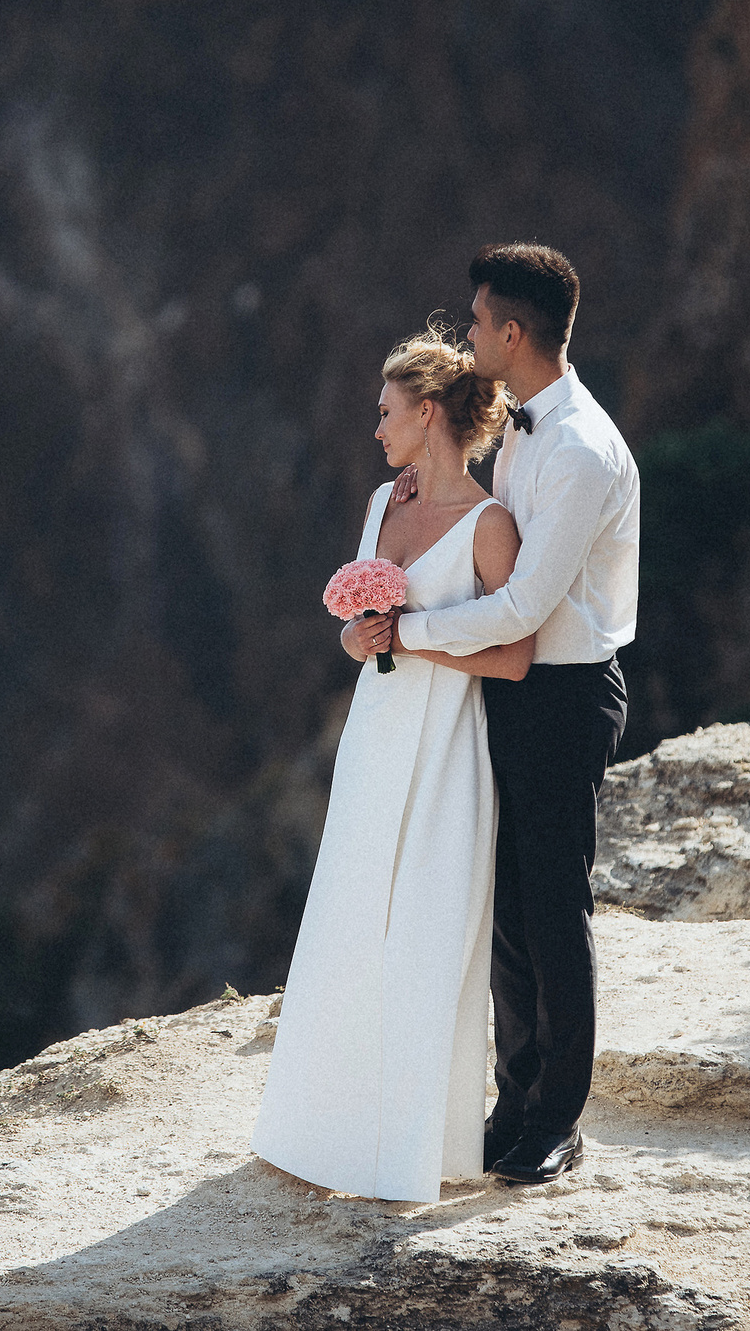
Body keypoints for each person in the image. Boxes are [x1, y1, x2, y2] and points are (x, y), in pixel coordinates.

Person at [250, 326, 534, 1202]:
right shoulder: (385, 500)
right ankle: (318, 1131)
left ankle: (410, 1149)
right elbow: (352, 638)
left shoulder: (490, 526)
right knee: (346, 920)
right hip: (376, 736)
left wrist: (411, 637)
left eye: (385, 412)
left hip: (450, 747)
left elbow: (515, 657)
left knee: (424, 935)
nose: (375, 428)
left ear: (427, 411)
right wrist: (356, 633)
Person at [381, 242, 638, 1185]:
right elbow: (474, 506)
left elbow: (527, 607)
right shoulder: (525, 429)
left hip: (565, 694)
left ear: (514, 332)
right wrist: (425, 488)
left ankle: (558, 1119)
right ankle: (514, 1099)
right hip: (507, 688)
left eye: (480, 319)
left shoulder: (577, 448)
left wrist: (411, 629)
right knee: (508, 914)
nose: (471, 330)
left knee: (553, 909)